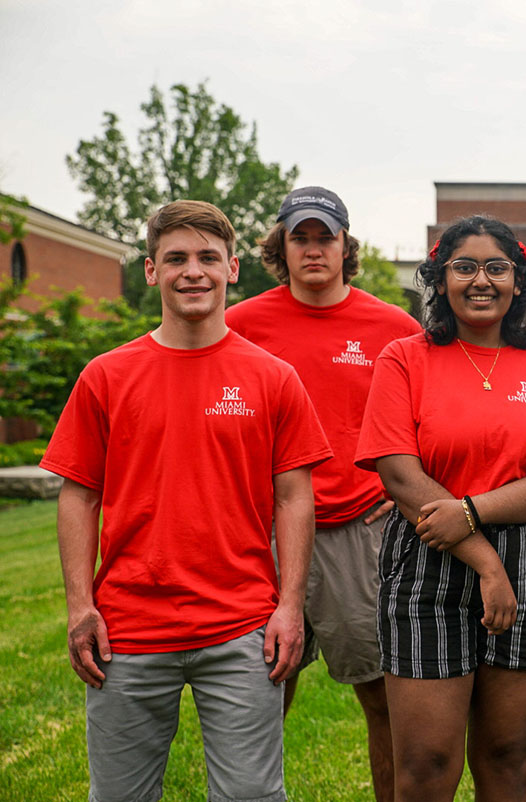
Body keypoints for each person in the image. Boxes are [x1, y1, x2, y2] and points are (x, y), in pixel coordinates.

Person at [41, 200, 331, 802]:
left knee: (251, 795)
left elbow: (294, 498)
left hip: (243, 625)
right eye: (175, 258)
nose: (191, 271)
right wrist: (79, 607)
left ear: (232, 271)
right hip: (127, 628)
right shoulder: (106, 376)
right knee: (120, 795)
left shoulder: (273, 377)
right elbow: (78, 496)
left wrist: (291, 606)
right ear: (151, 271)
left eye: (207, 257)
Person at [354, 215, 526, 802]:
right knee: (427, 763)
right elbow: (401, 476)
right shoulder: (403, 359)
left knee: (508, 757)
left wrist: (474, 511)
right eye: (463, 267)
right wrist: (484, 561)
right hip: (428, 556)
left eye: (496, 268)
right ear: (440, 278)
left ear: (518, 281)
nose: (480, 281)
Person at [226, 185, 421, 802]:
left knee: (384, 695)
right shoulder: (240, 325)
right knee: (259, 694)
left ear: (345, 245)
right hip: (262, 532)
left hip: (358, 529)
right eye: (299, 237)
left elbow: (429, 416)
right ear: (280, 246)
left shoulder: (391, 327)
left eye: (324, 237)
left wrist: (407, 484)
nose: (313, 249)